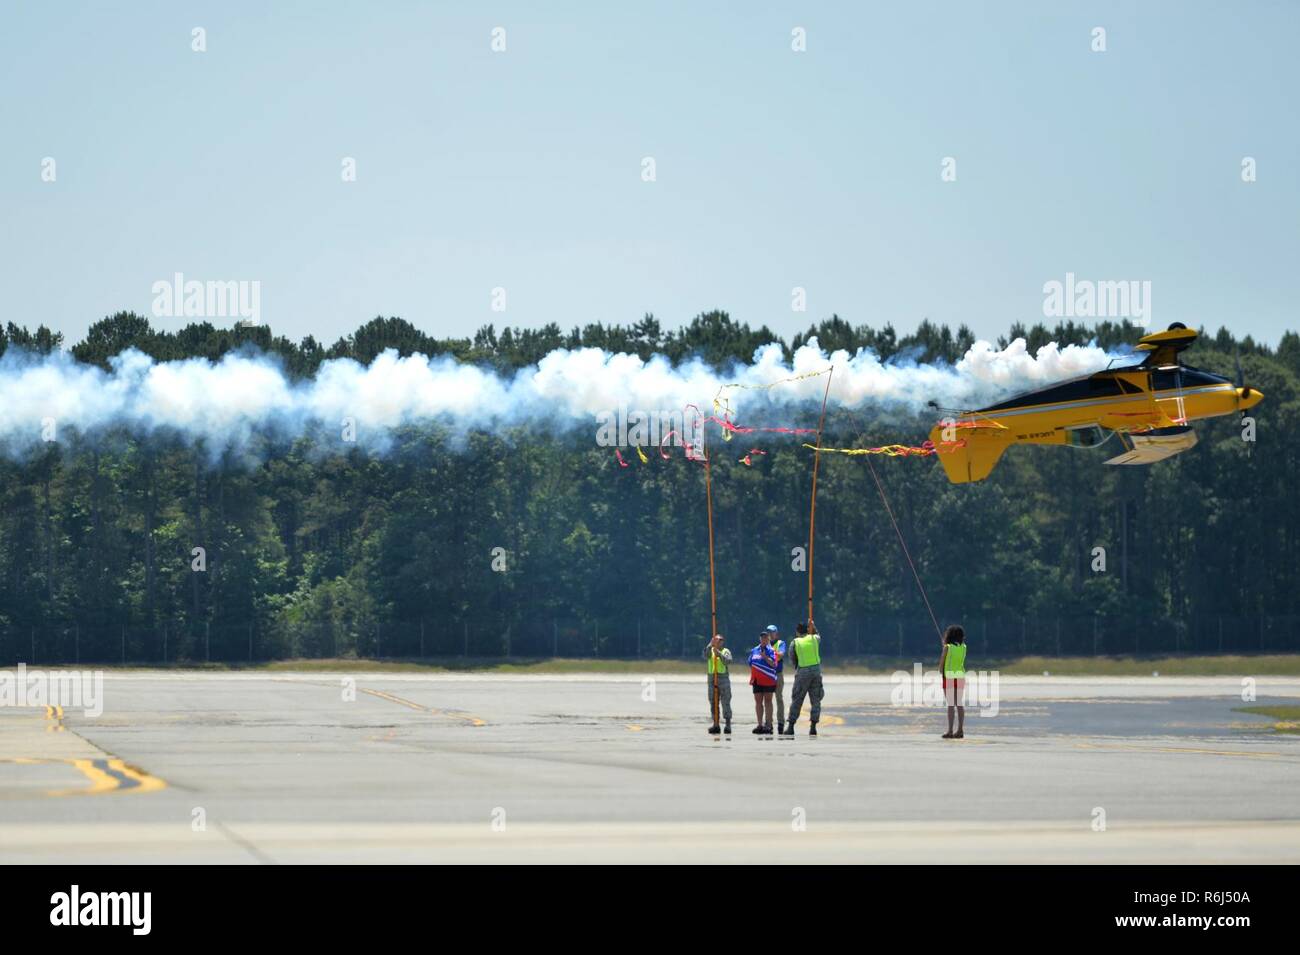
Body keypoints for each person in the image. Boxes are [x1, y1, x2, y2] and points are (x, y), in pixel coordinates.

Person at [781, 619, 824, 736]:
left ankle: (790, 726)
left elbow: (792, 657)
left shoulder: (795, 642)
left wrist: (797, 667)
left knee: (797, 698)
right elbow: (818, 636)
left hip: (803, 671)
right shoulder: (814, 638)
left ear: (797, 632)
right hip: (816, 671)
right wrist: (814, 626)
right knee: (816, 700)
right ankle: (813, 727)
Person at [747, 629, 780, 734]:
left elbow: (774, 664)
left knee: (768, 702)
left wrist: (765, 657)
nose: (763, 639)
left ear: (768, 639)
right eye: (762, 638)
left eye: (765, 638)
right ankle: (760, 724)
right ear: (760, 639)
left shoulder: (771, 650)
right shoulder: (754, 650)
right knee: (758, 702)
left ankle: (769, 725)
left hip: (768, 679)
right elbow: (750, 662)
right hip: (756, 679)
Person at [939, 624, 966, 739]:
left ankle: (950, 731)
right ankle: (960, 730)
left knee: (951, 704)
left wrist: (941, 671)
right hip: (960, 676)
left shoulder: (947, 647)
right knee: (959, 703)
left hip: (949, 676)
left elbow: (941, 664)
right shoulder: (964, 647)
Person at [703, 633, 732, 735]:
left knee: (725, 701)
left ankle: (728, 725)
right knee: (713, 701)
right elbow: (706, 655)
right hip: (712, 678)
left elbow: (728, 661)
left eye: (720, 640)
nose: (718, 642)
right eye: (716, 640)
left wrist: (719, 653)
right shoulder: (710, 650)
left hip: (723, 678)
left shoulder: (725, 651)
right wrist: (710, 644)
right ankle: (716, 724)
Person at [764, 624, 788, 730]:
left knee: (779, 698)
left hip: (777, 674)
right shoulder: (763, 644)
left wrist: (768, 654)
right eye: (768, 632)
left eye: (772, 632)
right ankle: (768, 722)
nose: (770, 634)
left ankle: (781, 722)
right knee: (767, 699)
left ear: (776, 634)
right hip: (767, 674)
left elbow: (780, 655)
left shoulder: (780, 643)